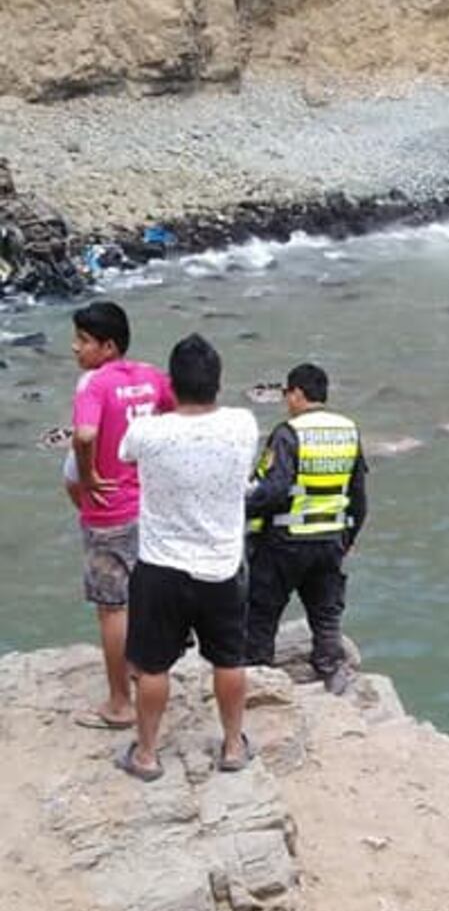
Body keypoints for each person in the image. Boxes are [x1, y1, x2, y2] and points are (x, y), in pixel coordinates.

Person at [116, 334, 260, 780]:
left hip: (161, 565)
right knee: (229, 659)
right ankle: (233, 746)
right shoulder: (243, 424)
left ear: (171, 385)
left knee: (153, 665)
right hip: (221, 565)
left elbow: (123, 457)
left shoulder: (147, 433)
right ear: (218, 383)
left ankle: (146, 754)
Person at [69, 300, 172, 729]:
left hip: (109, 511)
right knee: (142, 596)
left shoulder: (93, 384)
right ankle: (138, 668)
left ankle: (119, 703)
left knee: (112, 607)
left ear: (107, 346)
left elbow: (86, 432)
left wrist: (90, 473)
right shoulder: (151, 376)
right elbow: (178, 413)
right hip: (148, 506)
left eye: (83, 340)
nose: (75, 348)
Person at [245, 364, 368, 695]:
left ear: (298, 393)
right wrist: (349, 537)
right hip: (330, 540)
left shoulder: (289, 433)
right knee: (326, 614)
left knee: (262, 612)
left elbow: (273, 490)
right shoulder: (348, 430)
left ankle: (260, 679)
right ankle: (331, 672)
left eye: (287, 394)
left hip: (284, 542)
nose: (287, 400)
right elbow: (358, 495)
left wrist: (243, 513)